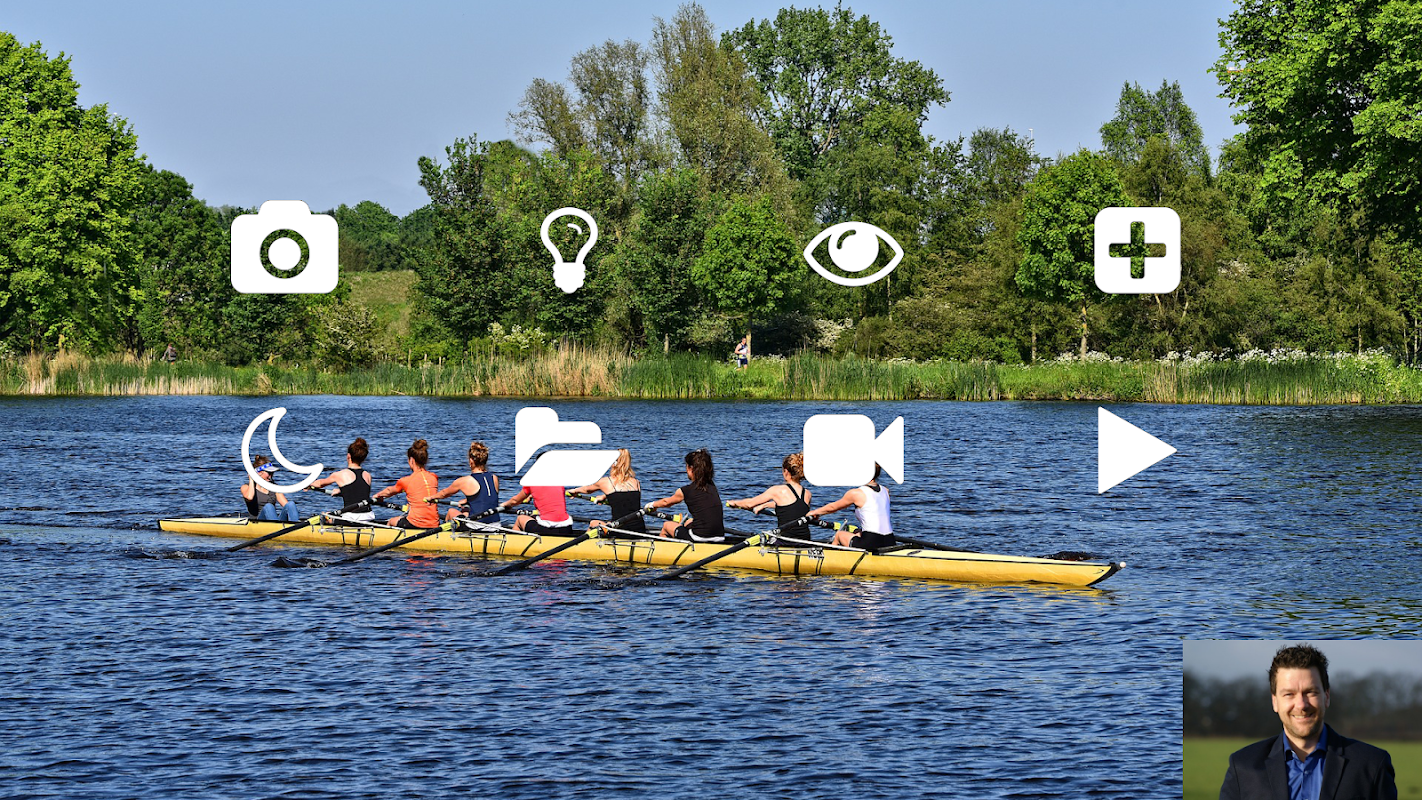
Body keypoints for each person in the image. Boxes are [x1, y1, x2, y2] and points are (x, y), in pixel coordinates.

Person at [1220, 643, 1397, 800]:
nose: (1301, 705)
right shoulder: (1243, 767)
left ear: (1326, 696)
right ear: (1275, 702)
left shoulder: (1372, 764)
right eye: (1289, 694)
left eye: (1310, 692)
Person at [727, 453, 812, 544]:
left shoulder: (777, 490)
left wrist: (735, 503)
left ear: (786, 472)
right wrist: (765, 505)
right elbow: (792, 507)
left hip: (786, 541)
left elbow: (750, 503)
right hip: (805, 541)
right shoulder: (807, 493)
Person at [806, 463, 895, 550]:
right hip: (890, 540)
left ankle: (830, 557)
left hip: (870, 542)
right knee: (857, 533)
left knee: (839, 535)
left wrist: (815, 512)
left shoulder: (856, 493)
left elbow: (833, 507)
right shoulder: (885, 491)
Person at [648, 449, 725, 542]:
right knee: (688, 522)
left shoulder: (686, 490)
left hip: (699, 537)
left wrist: (652, 505)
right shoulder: (712, 486)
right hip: (720, 537)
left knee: (666, 526)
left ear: (691, 469)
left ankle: (664, 549)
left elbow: (666, 502)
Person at [571, 448, 645, 535]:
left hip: (620, 531)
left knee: (594, 523)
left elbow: (586, 489)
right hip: (639, 530)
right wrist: (605, 496)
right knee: (611, 522)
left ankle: (584, 543)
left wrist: (575, 491)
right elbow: (626, 497)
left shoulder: (605, 482)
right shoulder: (636, 482)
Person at [429, 440, 501, 524]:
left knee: (451, 511)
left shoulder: (466, 481)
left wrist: (431, 498)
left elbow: (444, 493)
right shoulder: (494, 478)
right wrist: (468, 500)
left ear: (471, 461)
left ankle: (445, 532)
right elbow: (486, 498)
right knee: (465, 511)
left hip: (477, 526)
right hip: (495, 524)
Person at [373, 439, 440, 529]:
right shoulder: (434, 477)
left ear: (411, 460)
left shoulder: (406, 481)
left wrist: (378, 496)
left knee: (391, 521)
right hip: (435, 524)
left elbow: (389, 491)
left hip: (415, 524)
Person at [310, 437, 374, 523]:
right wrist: (342, 491)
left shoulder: (340, 474)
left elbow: (320, 484)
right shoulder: (367, 475)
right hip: (368, 516)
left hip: (351, 517)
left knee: (325, 515)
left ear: (348, 456)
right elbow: (359, 491)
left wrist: (308, 484)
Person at [241, 456, 299, 522]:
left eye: (272, 473)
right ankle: (276, 526)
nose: (271, 476)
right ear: (259, 472)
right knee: (269, 506)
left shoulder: (274, 487)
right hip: (257, 522)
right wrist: (251, 479)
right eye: (269, 473)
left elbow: (286, 506)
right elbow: (249, 497)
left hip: (273, 520)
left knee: (291, 504)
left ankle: (296, 525)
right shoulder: (245, 487)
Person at [506, 483, 574, 536]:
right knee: (534, 517)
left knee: (520, 519)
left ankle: (515, 544)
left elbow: (514, 501)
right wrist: (532, 494)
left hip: (546, 529)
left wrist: (504, 505)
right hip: (567, 528)